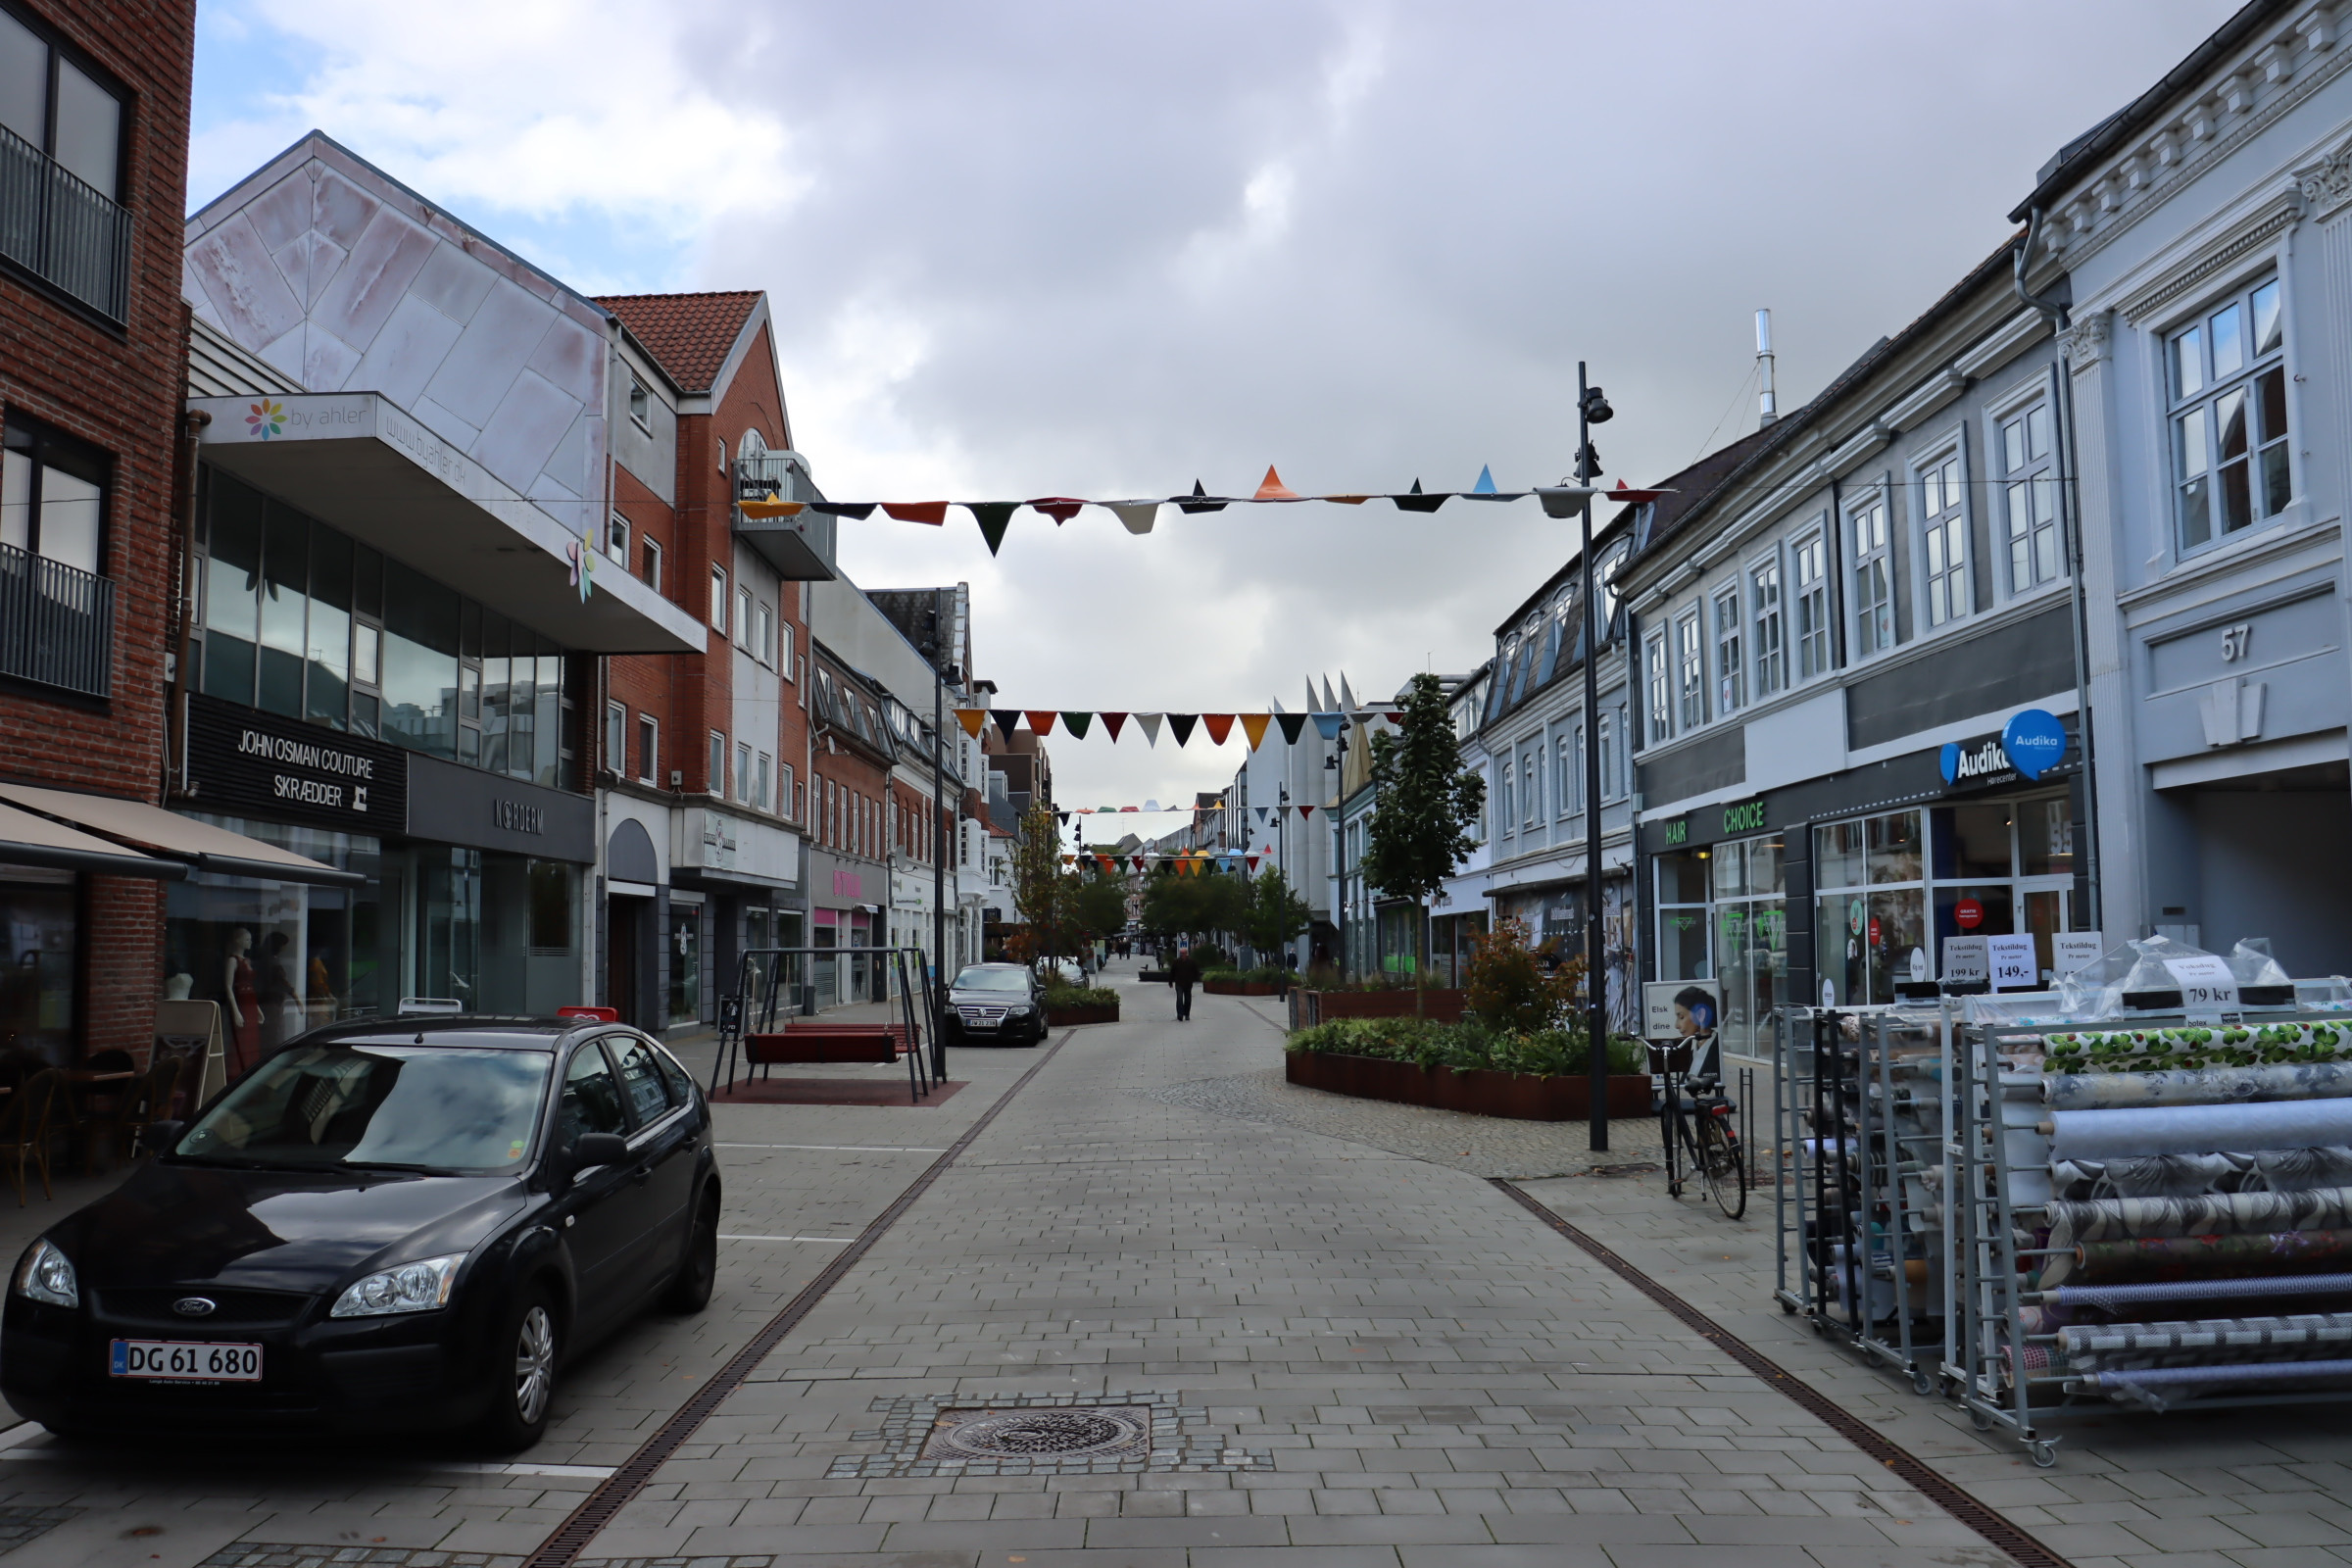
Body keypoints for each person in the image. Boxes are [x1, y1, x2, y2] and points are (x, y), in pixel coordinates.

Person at [1169, 944, 1201, 1022]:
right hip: (1179, 983)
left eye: (1183, 953)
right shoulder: (1176, 962)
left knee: (1188, 1000)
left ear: (1186, 953)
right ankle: (1180, 1014)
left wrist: (1196, 979)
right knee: (1179, 999)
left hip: (1188, 983)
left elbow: (1196, 971)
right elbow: (1172, 972)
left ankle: (1187, 1014)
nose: (1182, 954)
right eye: (1181, 953)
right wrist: (1170, 981)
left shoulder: (1191, 962)